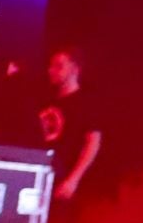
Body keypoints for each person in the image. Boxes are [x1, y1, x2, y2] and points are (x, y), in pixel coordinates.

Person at [39, 46, 103, 203]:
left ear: (74, 69)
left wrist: (73, 179)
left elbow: (92, 143)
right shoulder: (46, 100)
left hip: (63, 183)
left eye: (59, 66)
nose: (51, 70)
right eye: (51, 65)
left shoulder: (86, 104)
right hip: (40, 179)